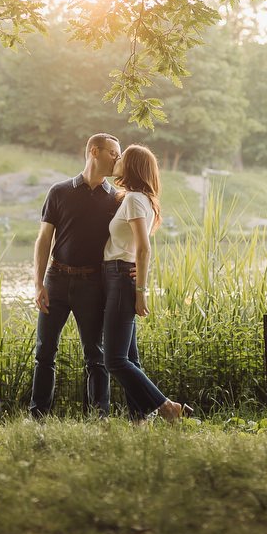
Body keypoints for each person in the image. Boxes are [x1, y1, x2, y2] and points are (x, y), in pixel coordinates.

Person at [29, 132, 122, 417]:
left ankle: (99, 418)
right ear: (94, 151)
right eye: (113, 154)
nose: (118, 160)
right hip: (56, 280)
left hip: (93, 284)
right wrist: (38, 285)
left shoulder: (116, 199)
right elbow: (43, 240)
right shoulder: (59, 191)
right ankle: (37, 416)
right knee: (44, 353)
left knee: (96, 356)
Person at [102, 143, 190, 422]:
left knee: (114, 360)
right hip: (117, 275)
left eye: (122, 157)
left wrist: (141, 291)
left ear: (132, 166)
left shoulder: (134, 200)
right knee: (130, 358)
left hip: (120, 277)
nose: (117, 160)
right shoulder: (137, 198)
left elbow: (144, 248)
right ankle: (138, 421)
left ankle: (168, 407)